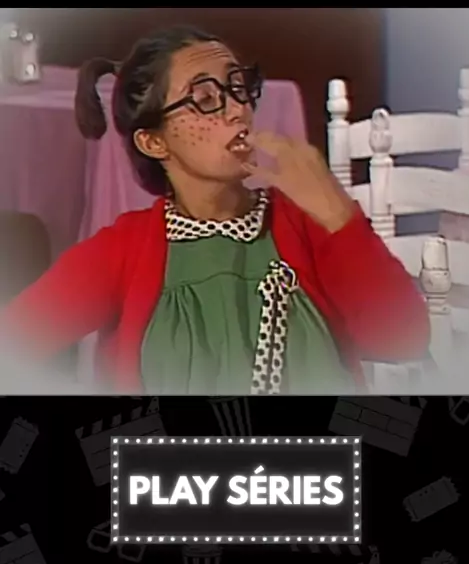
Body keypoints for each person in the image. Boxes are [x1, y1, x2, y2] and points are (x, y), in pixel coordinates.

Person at [0, 25, 430, 394]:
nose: (237, 109)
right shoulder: (122, 251)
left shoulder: (306, 220)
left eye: (238, 87)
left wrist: (337, 214)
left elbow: (403, 340)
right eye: (204, 97)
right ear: (154, 141)